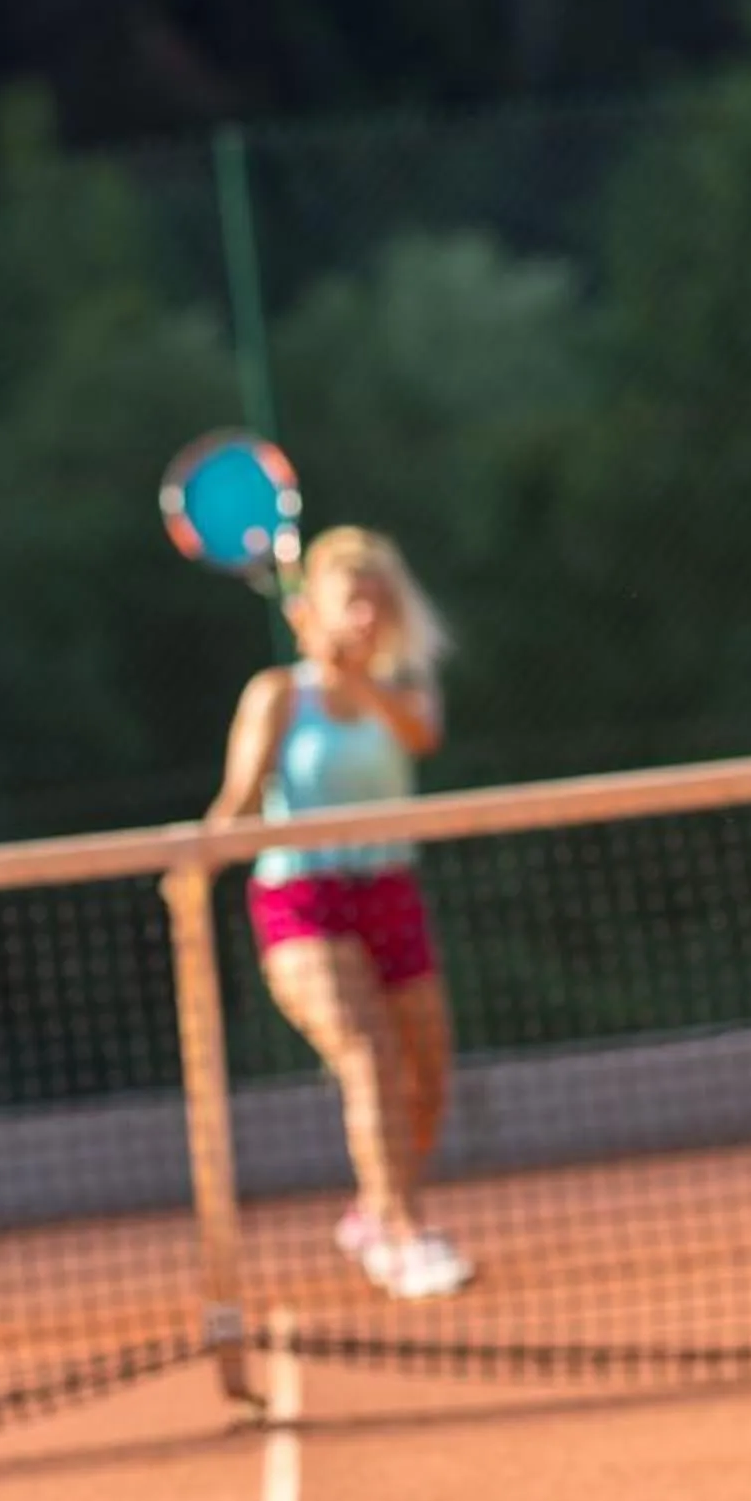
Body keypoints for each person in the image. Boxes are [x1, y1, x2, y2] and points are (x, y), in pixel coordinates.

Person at [204, 526, 473, 1301]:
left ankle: (372, 1209)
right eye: (352, 598)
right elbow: (239, 805)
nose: (366, 614)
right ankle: (404, 1234)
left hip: (390, 889)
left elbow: (420, 736)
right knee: (366, 1055)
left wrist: (357, 681)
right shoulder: (278, 695)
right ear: (314, 607)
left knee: (427, 1074)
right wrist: (194, 867)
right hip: (301, 899)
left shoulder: (406, 685)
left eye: (378, 599)